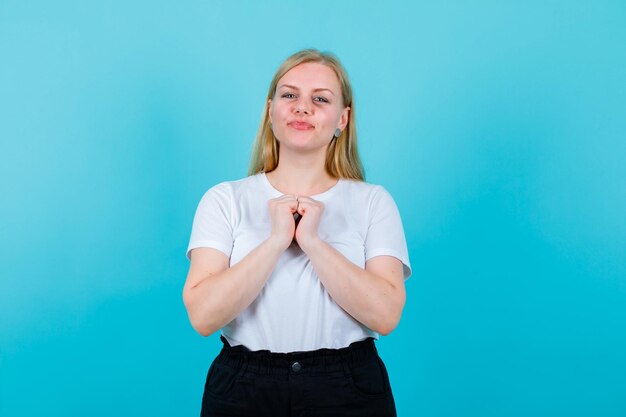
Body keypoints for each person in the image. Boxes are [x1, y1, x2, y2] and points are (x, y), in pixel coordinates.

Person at [183, 48, 411, 417]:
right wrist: (275, 241)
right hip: (244, 387)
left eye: (320, 99)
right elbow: (204, 317)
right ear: (270, 109)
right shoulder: (225, 200)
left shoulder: (373, 202)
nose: (302, 107)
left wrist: (313, 243)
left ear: (343, 119)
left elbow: (385, 316)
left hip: (347, 387)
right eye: (289, 95)